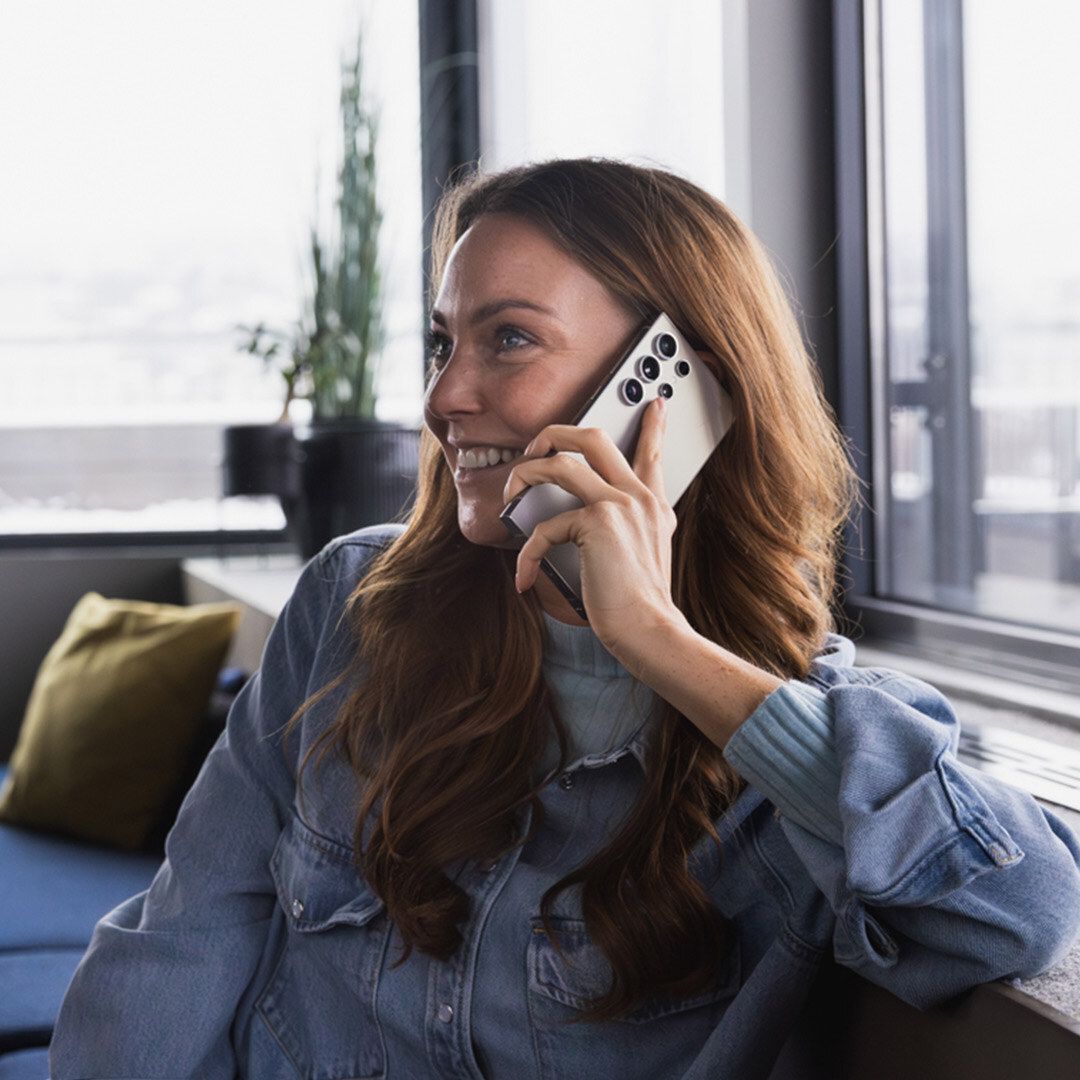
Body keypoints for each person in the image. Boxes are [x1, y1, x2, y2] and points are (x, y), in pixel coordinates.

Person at [50, 158, 1080, 1080]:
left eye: (508, 340)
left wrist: (659, 643)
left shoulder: (787, 742)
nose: (445, 395)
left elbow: (1017, 914)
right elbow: (183, 935)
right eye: (444, 342)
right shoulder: (353, 606)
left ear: (675, 391)